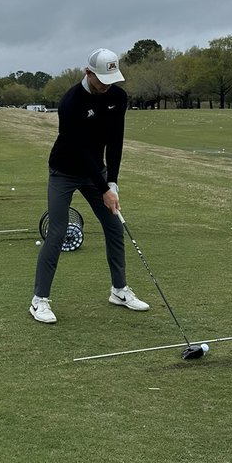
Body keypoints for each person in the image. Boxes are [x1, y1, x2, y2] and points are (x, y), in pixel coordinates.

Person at [29, 48, 148, 323]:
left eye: (111, 79)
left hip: (97, 171)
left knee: (114, 226)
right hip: (64, 170)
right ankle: (39, 300)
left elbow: (115, 141)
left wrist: (113, 182)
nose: (107, 85)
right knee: (57, 232)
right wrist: (104, 188)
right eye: (102, 79)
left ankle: (119, 290)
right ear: (88, 72)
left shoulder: (117, 97)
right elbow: (80, 150)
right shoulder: (70, 102)